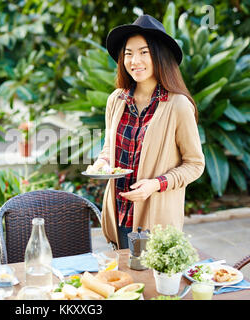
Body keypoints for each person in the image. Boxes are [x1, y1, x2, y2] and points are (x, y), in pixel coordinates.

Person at [87, 14, 205, 249]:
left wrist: (156, 184)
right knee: (124, 282)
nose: (134, 60)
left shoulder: (178, 105)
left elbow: (195, 165)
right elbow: (110, 148)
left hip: (157, 221)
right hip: (119, 214)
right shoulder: (116, 100)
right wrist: (102, 162)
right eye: (128, 53)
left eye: (144, 52)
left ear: (159, 55)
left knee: (152, 284)